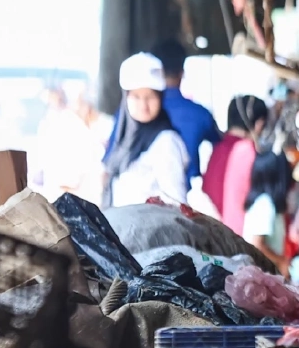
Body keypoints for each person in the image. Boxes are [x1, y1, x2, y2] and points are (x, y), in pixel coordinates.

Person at [103, 53, 189, 208]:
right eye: (136, 97)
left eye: (150, 97)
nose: (144, 105)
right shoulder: (123, 137)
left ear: (161, 98)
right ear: (125, 98)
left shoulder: (166, 142)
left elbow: (177, 205)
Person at [150, 39, 223, 182]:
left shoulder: (136, 114)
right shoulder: (200, 114)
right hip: (188, 197)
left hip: (144, 200)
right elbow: (222, 148)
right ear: (182, 72)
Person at [206, 96, 269, 234]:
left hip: (213, 231)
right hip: (237, 234)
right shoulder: (246, 150)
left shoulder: (218, 148)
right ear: (259, 124)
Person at [242, 151, 292, 277]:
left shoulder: (263, 203)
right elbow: (257, 244)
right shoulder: (265, 206)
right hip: (262, 275)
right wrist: (281, 261)